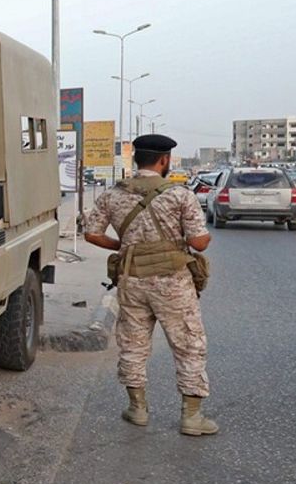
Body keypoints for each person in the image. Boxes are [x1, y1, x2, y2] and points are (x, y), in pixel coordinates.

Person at [82, 133, 216, 435]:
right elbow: (199, 242)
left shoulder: (113, 194)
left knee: (132, 344)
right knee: (189, 345)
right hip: (173, 283)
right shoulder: (180, 195)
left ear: (135, 159)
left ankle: (137, 409)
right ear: (164, 160)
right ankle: (192, 418)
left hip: (132, 281)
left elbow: (91, 233)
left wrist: (124, 246)